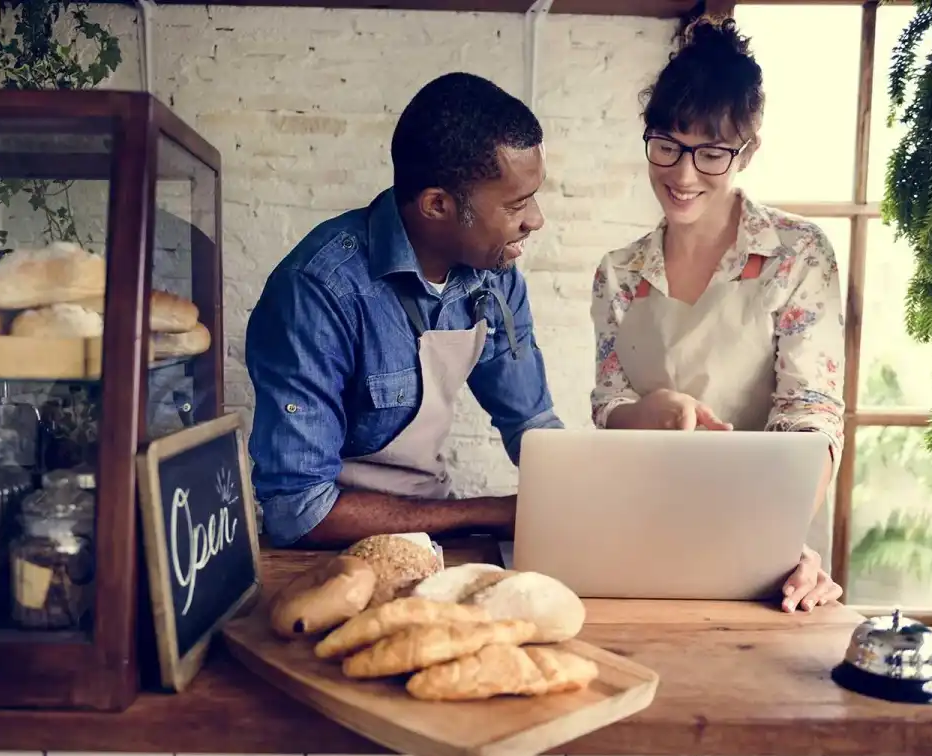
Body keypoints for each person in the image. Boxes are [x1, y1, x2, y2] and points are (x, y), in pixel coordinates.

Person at [590, 17, 845, 613]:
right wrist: (645, 413)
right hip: (641, 531)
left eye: (710, 154)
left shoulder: (798, 254)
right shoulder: (619, 272)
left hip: (764, 547)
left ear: (747, 150)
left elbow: (811, 416)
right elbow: (608, 404)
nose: (682, 175)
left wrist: (772, 540)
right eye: (667, 146)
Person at [246, 71, 563, 549]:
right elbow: (299, 510)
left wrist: (580, 498)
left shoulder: (493, 274)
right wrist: (491, 514)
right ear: (437, 205)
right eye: (516, 203)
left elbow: (532, 424)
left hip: (430, 535)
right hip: (330, 552)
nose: (535, 219)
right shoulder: (318, 291)